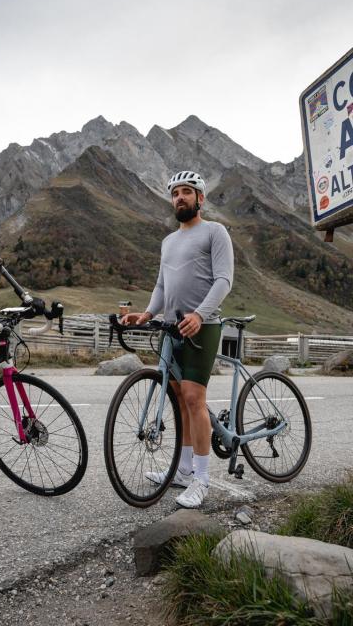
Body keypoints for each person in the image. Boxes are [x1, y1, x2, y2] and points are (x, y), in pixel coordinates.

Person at [121, 170, 233, 509]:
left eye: (186, 192)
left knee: (193, 397)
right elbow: (161, 286)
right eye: (175, 194)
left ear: (200, 198)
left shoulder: (215, 232)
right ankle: (183, 471)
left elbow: (224, 279)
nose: (179, 198)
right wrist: (147, 313)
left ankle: (201, 480)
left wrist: (200, 314)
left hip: (204, 325)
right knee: (177, 397)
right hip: (171, 328)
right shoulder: (168, 242)